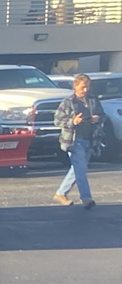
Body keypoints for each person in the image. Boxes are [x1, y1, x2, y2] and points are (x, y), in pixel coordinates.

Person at [54, 73, 102, 208]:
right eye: (82, 87)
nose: (85, 90)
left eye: (87, 87)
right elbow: (57, 120)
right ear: (75, 86)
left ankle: (61, 193)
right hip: (74, 141)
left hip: (90, 139)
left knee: (78, 169)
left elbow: (102, 115)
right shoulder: (68, 102)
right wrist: (73, 121)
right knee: (80, 169)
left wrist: (97, 119)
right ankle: (86, 198)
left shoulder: (93, 100)